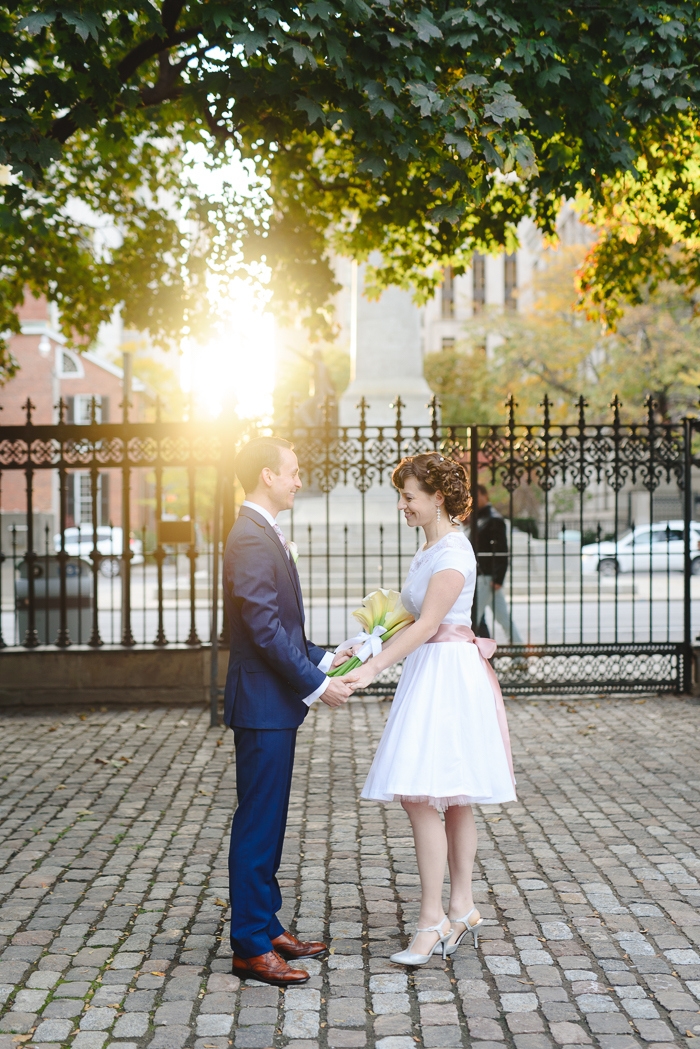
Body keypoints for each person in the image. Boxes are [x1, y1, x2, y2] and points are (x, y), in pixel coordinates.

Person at [345, 452, 516, 965]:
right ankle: (461, 907)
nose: (402, 505)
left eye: (409, 496)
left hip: (449, 674)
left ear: (437, 497)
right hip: (431, 671)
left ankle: (432, 919)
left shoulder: (454, 552)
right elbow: (403, 618)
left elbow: (426, 626)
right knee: (450, 795)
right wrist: (361, 645)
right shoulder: (429, 549)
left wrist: (372, 671)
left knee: (422, 795)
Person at [223, 436, 354, 986]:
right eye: (293, 472)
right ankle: (251, 945)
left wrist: (327, 654)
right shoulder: (250, 536)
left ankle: (267, 925)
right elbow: (262, 629)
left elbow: (282, 627)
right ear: (265, 475)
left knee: (270, 820)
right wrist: (316, 682)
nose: (299, 480)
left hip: (272, 702)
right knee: (257, 822)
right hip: (262, 702)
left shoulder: (262, 532)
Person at [473, 484, 523, 644]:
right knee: (503, 618)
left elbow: (502, 551)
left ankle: (481, 659)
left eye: (475, 495)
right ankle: (519, 654)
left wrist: (498, 578)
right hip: (483, 577)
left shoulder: (493, 519)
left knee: (472, 620)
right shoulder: (480, 518)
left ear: (485, 496)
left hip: (487, 578)